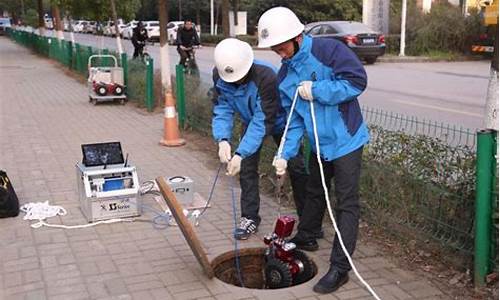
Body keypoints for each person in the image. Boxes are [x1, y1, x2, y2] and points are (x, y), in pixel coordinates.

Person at [257, 7, 369, 294]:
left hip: (346, 140)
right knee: (314, 191)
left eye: (281, 47)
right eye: (274, 50)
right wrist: (283, 153)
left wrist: (318, 90)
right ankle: (306, 236)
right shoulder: (285, 76)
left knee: (346, 204)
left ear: (296, 37)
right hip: (318, 143)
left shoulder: (329, 50)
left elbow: (357, 82)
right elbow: (294, 120)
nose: (279, 54)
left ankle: (340, 268)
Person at [211, 38, 308, 240]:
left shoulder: (266, 76)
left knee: (297, 167)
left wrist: (240, 152)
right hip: (251, 119)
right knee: (246, 169)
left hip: (279, 121)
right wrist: (222, 139)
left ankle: (308, 222)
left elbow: (263, 120)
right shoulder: (221, 74)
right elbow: (223, 107)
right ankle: (249, 218)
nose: (235, 82)